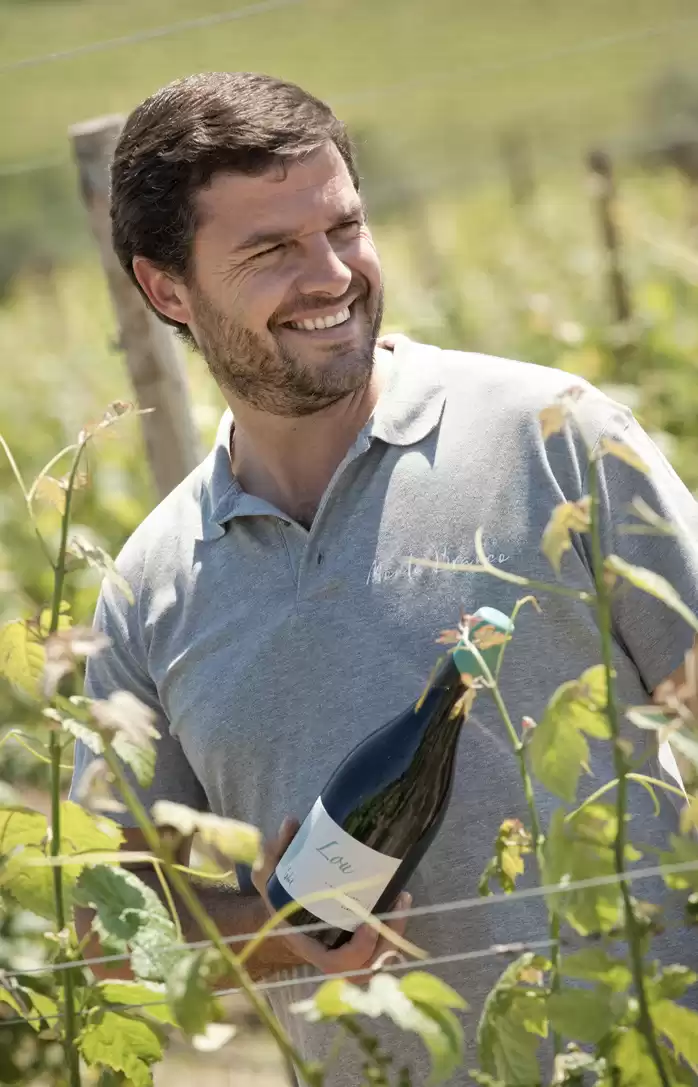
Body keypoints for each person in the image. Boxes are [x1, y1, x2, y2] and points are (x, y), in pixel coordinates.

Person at [71, 71, 698, 1085]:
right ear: (165, 289)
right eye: (271, 250)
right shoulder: (149, 589)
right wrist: (271, 926)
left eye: (342, 228)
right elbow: (113, 919)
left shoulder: (553, 439)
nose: (330, 275)